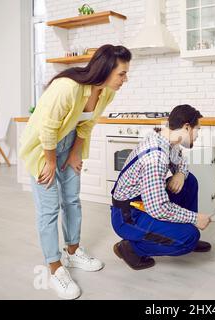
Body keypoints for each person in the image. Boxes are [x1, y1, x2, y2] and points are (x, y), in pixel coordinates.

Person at [19, 44, 131, 299]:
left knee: (71, 200)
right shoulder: (67, 87)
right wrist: (49, 161)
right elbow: (47, 128)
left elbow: (87, 125)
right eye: (122, 74)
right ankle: (55, 268)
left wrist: (74, 153)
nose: (125, 79)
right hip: (42, 149)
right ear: (106, 69)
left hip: (69, 145)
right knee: (49, 209)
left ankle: (72, 253)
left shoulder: (105, 93)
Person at [111, 104, 212, 270]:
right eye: (198, 130)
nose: (198, 135)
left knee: (189, 181)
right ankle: (131, 248)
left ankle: (183, 229)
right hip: (129, 216)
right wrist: (194, 217)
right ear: (187, 127)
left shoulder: (168, 141)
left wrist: (180, 174)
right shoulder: (156, 157)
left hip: (142, 202)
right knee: (189, 238)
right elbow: (158, 208)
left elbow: (182, 163)